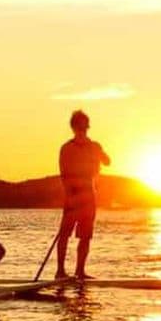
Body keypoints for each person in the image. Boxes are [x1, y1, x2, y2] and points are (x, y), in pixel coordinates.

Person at [55, 109, 110, 279]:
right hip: (73, 195)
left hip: (89, 195)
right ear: (74, 127)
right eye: (80, 126)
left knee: (85, 236)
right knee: (64, 234)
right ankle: (60, 271)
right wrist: (70, 196)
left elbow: (107, 162)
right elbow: (64, 175)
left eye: (85, 126)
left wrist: (99, 151)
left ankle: (80, 271)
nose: (83, 129)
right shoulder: (66, 148)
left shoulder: (94, 146)